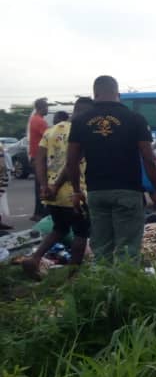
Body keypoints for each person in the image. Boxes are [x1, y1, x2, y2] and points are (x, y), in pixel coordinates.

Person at [67, 76, 156, 262]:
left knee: (101, 249)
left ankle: (102, 290)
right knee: (127, 250)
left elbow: (71, 162)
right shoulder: (134, 118)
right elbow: (149, 159)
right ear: (117, 94)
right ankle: (123, 289)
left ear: (95, 94)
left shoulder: (80, 121)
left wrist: (76, 191)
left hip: (96, 192)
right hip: (128, 191)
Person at [22, 99, 94, 277]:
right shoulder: (83, 132)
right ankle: (73, 275)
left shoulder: (51, 130)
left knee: (59, 229)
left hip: (52, 195)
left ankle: (35, 258)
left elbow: (39, 160)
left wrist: (45, 185)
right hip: (75, 193)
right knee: (80, 233)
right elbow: (72, 163)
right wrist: (56, 185)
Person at [27, 97, 49, 221]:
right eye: (46, 107)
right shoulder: (40, 121)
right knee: (42, 185)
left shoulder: (34, 119)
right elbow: (49, 137)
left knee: (39, 185)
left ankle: (38, 212)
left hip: (36, 156)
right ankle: (40, 213)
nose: (47, 109)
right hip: (40, 157)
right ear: (41, 107)